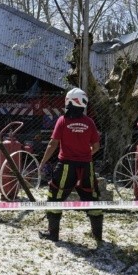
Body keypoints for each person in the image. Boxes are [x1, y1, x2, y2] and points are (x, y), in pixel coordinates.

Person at [37, 87, 103, 246]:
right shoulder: (89, 122)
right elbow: (96, 147)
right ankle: (97, 235)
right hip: (87, 167)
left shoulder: (63, 120)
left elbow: (53, 144)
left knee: (55, 196)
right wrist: (84, 154)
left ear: (69, 102)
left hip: (66, 166)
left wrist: (43, 162)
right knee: (92, 197)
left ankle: (53, 234)